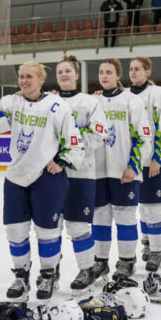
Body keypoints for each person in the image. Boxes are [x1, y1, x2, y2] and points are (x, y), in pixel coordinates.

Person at [0, 61, 84, 301]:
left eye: (29, 76)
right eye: (21, 76)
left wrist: (61, 161)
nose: (24, 81)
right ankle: (21, 276)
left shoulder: (56, 105)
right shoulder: (12, 102)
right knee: (16, 231)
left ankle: (47, 275)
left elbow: (74, 140)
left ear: (41, 79)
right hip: (15, 176)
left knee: (47, 231)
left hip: (46, 178)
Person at [91, 59, 151, 280]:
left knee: (125, 217)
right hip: (97, 172)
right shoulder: (93, 101)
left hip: (124, 171)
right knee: (100, 216)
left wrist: (133, 167)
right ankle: (101, 261)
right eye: (100, 72)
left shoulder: (131, 101)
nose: (104, 76)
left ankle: (127, 261)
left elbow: (144, 136)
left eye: (108, 72)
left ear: (118, 75)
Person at [55, 55, 107, 292]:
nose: (64, 75)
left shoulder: (90, 102)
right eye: (60, 72)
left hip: (81, 174)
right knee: (50, 227)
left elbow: (98, 135)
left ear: (76, 75)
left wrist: (70, 151)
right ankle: (50, 270)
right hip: (52, 174)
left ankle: (87, 269)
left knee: (78, 228)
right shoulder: (49, 102)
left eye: (68, 71)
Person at [126, 57, 161, 271]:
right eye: (130, 69)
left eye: (137, 69)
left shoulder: (159, 94)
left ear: (147, 72)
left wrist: (158, 158)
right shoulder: (124, 95)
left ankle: (157, 251)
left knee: (154, 209)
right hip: (131, 162)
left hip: (152, 161)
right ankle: (146, 244)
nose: (133, 72)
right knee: (138, 210)